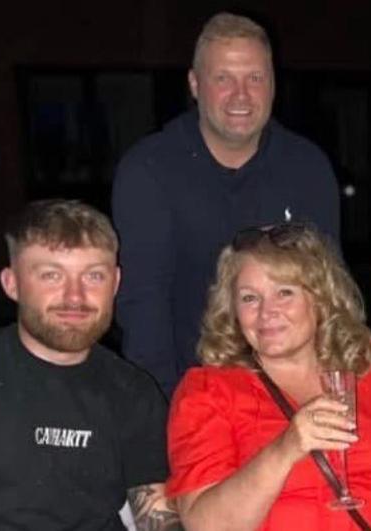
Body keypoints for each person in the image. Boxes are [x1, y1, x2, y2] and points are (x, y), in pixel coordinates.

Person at [165, 221, 371, 530]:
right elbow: (206, 525)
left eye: (284, 293)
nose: (266, 312)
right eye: (249, 298)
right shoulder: (208, 391)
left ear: (320, 297)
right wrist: (286, 448)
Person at [112, 12, 339, 397]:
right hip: (190, 389)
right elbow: (143, 306)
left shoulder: (307, 167)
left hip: (291, 393)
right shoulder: (148, 170)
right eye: (224, 79)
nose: (241, 95)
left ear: (272, 86)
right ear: (195, 84)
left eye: (255, 78)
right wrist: (166, 411)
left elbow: (330, 292)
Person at [0, 199, 178, 530]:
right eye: (51, 275)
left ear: (115, 283)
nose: (75, 297)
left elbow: (156, 517)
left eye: (93, 276)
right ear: (11, 283)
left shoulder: (134, 392)